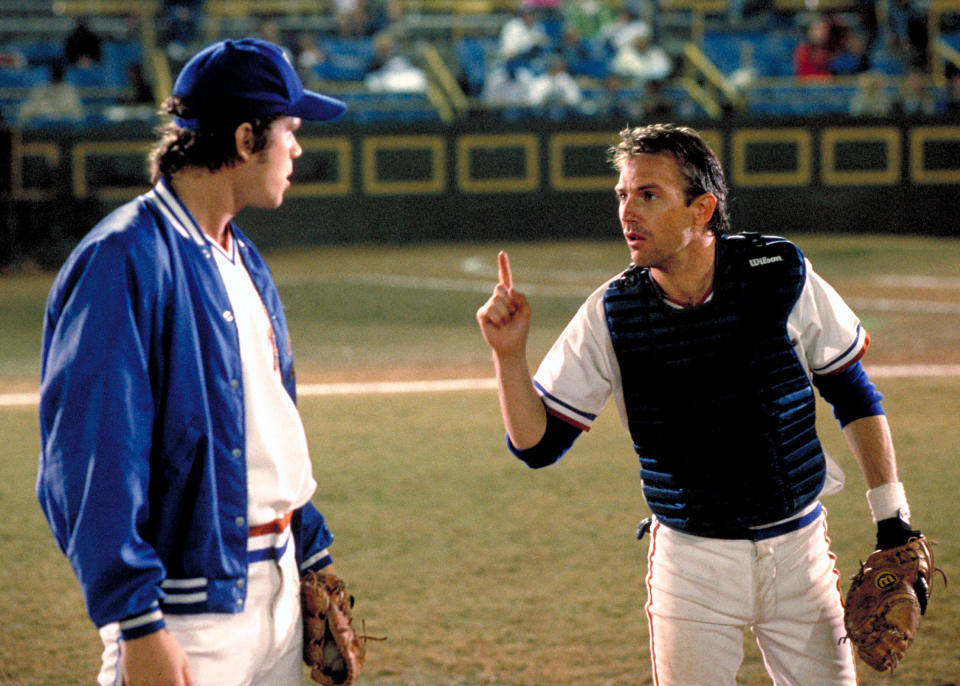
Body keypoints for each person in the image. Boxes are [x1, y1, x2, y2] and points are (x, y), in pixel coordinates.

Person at [476, 123, 925, 685]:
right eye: (622, 195)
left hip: (799, 552)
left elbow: (851, 389)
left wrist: (893, 520)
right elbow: (537, 445)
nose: (627, 212)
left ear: (701, 209)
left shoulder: (777, 274)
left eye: (648, 195)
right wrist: (508, 357)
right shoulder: (612, 312)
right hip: (690, 566)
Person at [37, 38, 348, 686]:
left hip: (279, 590)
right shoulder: (123, 258)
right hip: (187, 610)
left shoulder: (245, 260)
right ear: (244, 138)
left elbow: (269, 430)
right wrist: (137, 620)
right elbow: (91, 458)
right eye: (288, 130)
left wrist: (311, 550)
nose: (296, 148)